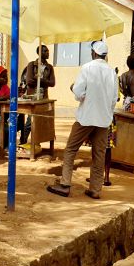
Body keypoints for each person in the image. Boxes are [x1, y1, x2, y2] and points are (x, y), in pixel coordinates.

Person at [47, 41, 117, 199]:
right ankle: (95, 189)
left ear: (93, 53)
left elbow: (79, 93)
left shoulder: (87, 68)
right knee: (99, 154)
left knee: (71, 149)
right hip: (104, 119)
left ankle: (65, 184)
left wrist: (73, 87)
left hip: (86, 118)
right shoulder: (111, 72)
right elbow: (114, 99)